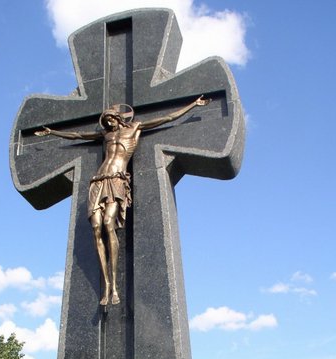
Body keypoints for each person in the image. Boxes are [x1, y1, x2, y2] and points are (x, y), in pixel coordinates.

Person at [35, 95, 211, 305]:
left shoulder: (134, 127)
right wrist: (52, 132)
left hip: (117, 180)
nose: (109, 122)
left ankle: (114, 287)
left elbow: (167, 118)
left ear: (118, 117)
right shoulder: (106, 135)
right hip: (99, 181)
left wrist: (193, 105)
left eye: (111, 118)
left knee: (109, 223)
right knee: (96, 228)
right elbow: (77, 135)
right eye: (106, 120)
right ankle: (106, 285)